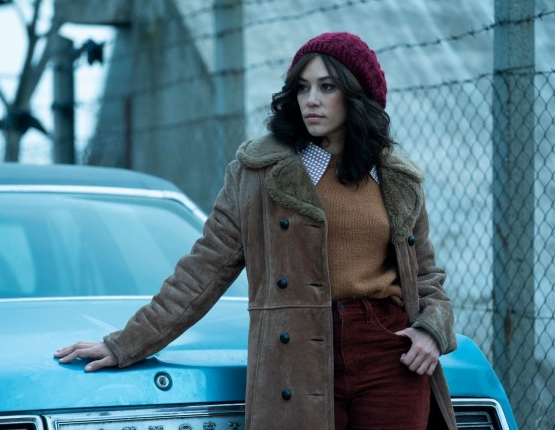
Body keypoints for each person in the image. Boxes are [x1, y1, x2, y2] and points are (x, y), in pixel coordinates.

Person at [55, 32, 458, 430]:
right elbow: (201, 271)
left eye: (326, 86)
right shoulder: (258, 175)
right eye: (302, 87)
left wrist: (432, 331)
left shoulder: (397, 180)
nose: (311, 99)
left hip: (390, 354)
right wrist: (127, 343)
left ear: (358, 95)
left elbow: (425, 277)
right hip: (297, 355)